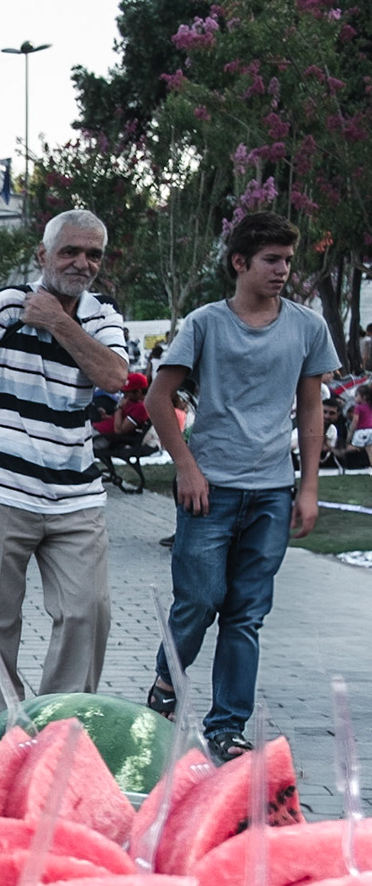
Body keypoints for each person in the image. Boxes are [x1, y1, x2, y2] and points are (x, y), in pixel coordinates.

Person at [145, 211, 338, 761]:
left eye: (287, 261)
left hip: (272, 491)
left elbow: (310, 409)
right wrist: (185, 466)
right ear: (240, 262)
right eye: (271, 260)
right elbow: (158, 399)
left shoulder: (307, 327)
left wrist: (307, 488)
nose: (282, 271)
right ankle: (166, 683)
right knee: (199, 601)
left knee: (246, 613)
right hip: (210, 491)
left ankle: (226, 726)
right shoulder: (206, 323)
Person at [0, 209, 129, 711]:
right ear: (43, 255)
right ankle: (4, 728)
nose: (82, 263)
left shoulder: (103, 314)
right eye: (70, 251)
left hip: (76, 495)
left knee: (88, 612)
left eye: (93, 254)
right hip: (2, 488)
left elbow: (113, 377)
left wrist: (59, 321)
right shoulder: (5, 305)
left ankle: (62, 721)